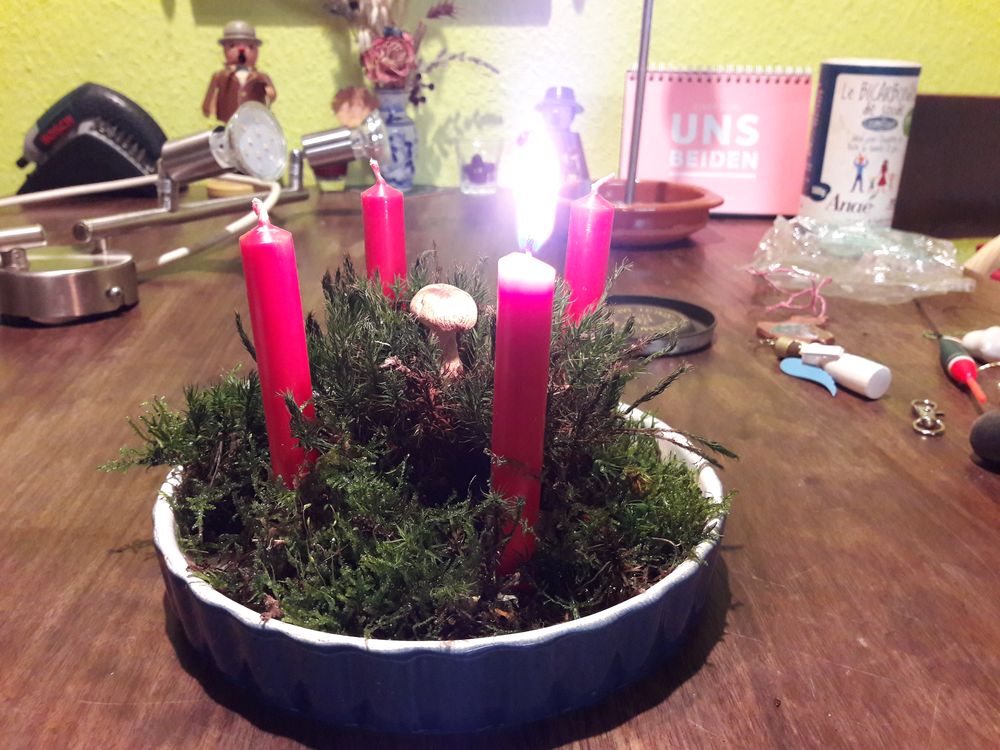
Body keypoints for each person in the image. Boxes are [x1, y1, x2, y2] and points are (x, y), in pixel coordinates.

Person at [202, 21, 276, 123]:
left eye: (250, 47)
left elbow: (272, 95)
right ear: (224, 49)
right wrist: (206, 108)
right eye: (232, 45)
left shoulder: (261, 77)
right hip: (229, 119)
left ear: (256, 51)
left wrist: (270, 94)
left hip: (254, 120)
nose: (241, 50)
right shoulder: (220, 76)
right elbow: (210, 94)